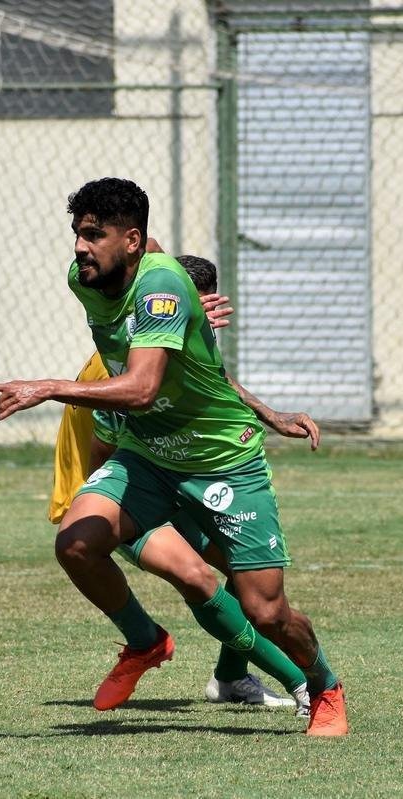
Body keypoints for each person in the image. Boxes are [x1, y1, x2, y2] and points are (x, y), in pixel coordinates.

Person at [0, 178, 348, 736]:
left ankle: (323, 685)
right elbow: (158, 284)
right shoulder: (91, 277)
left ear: (128, 240)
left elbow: (143, 389)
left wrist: (46, 387)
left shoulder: (162, 291)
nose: (80, 247)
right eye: (77, 233)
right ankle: (146, 640)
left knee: (266, 611)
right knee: (77, 545)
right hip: (149, 455)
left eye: (93, 235)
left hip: (222, 462)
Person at [48, 250, 321, 714]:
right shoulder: (123, 367)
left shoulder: (172, 342)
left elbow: (208, 377)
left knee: (247, 574)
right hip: (116, 488)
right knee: (196, 577)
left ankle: (231, 678)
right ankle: (301, 684)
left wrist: (269, 414)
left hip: (175, 483)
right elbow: (104, 455)